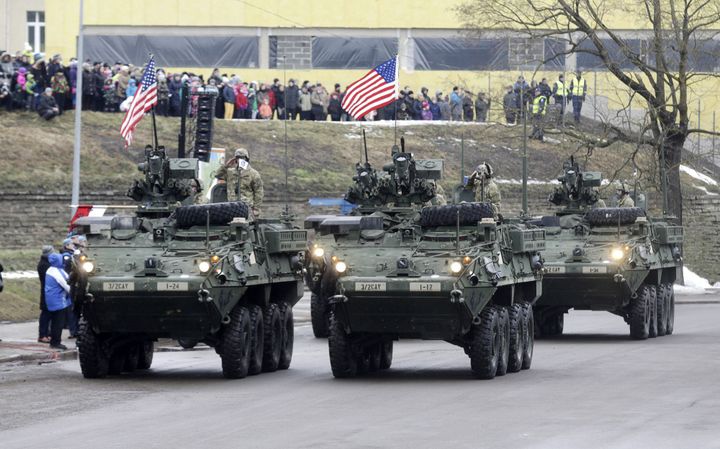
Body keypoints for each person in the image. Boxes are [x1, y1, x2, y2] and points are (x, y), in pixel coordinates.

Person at [215, 148, 264, 216]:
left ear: (246, 159)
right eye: (237, 158)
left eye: (242, 157)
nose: (240, 160)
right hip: (232, 207)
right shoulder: (230, 172)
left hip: (247, 208)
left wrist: (256, 208)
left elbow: (259, 192)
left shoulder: (254, 174)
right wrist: (226, 166)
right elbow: (217, 175)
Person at [44, 253, 72, 350]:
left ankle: (54, 341)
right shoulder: (56, 272)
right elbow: (66, 285)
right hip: (59, 301)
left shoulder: (50, 270)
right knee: (58, 323)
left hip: (52, 300)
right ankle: (56, 342)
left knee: (55, 322)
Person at [37, 245, 54, 343]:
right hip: (46, 292)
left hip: (48, 291)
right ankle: (42, 335)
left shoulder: (46, 263)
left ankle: (46, 334)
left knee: (48, 314)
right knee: (45, 314)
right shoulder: (44, 264)